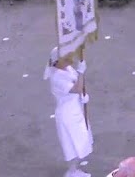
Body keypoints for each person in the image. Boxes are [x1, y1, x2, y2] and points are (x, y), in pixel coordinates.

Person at [45, 48, 92, 177]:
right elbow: (77, 88)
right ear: (57, 62)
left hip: (75, 109)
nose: (69, 60)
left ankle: (76, 170)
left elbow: (78, 85)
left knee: (81, 140)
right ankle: (72, 171)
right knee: (71, 144)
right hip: (67, 114)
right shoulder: (56, 78)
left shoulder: (68, 69)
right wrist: (81, 72)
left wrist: (82, 97)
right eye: (66, 59)